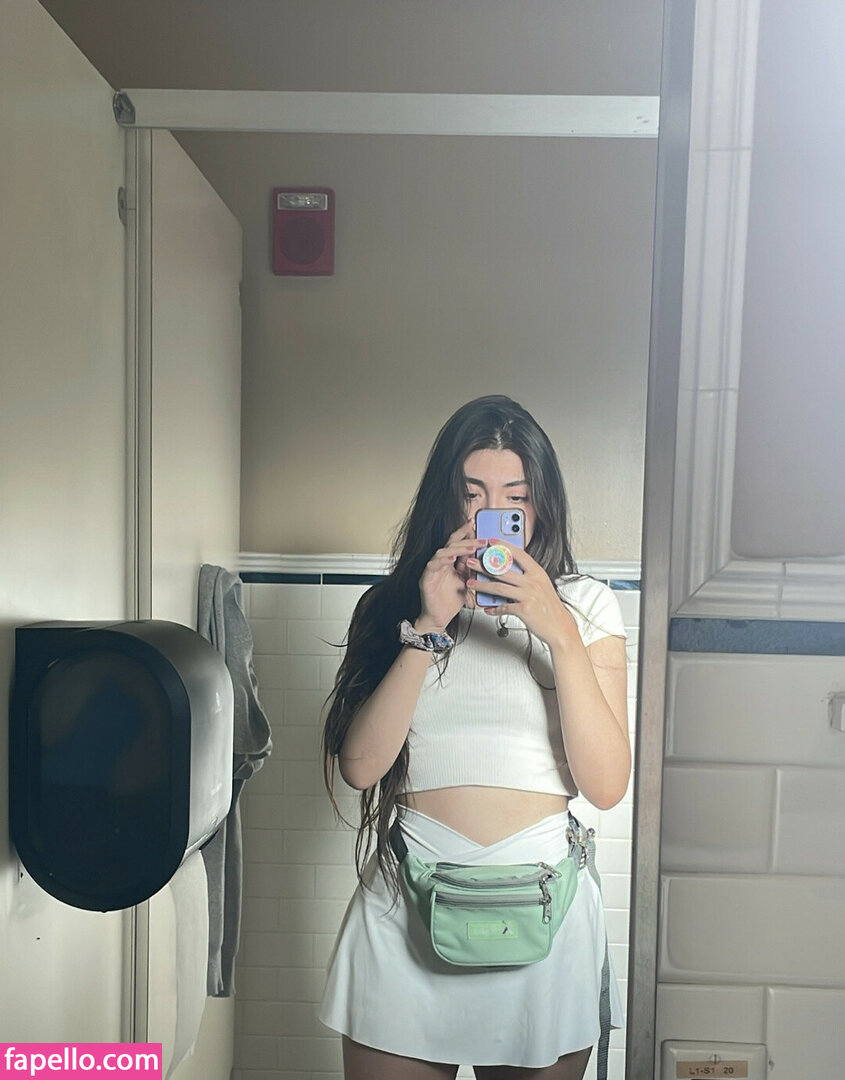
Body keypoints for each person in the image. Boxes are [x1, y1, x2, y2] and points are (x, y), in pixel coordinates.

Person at [319, 395, 630, 1080]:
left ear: (540, 503)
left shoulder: (585, 605)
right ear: (447, 497)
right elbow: (361, 768)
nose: (492, 513)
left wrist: (558, 630)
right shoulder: (396, 603)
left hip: (542, 911)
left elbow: (606, 785)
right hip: (406, 906)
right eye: (473, 494)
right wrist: (428, 627)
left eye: (514, 497)